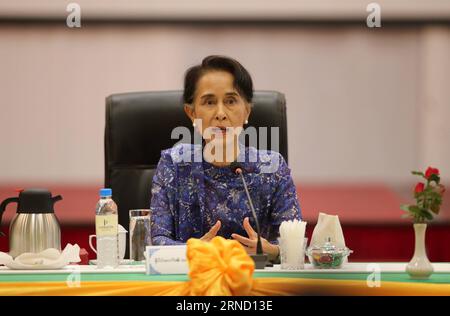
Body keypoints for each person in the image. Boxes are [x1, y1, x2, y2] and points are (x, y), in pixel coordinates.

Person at [150, 55, 301, 261]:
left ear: (247, 110)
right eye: (209, 102)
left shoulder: (272, 168)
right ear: (192, 113)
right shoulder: (174, 164)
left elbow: (294, 244)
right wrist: (195, 250)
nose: (220, 113)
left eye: (230, 101)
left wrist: (271, 251)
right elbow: (157, 240)